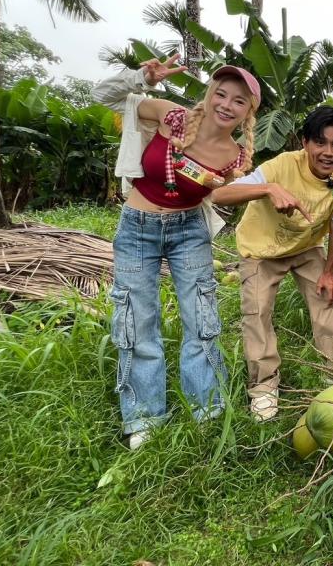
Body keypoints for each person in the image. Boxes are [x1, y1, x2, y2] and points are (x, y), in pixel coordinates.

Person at [94, 55, 259, 450]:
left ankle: (207, 409)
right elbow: (102, 95)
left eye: (239, 100)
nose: (226, 104)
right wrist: (141, 78)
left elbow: (224, 196)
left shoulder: (236, 158)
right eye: (221, 93)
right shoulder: (174, 117)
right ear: (210, 93)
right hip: (137, 226)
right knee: (137, 318)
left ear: (248, 112)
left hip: (188, 231)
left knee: (201, 317)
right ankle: (145, 416)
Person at [210, 106, 333, 422]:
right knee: (258, 312)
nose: (328, 152)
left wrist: (330, 272)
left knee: (327, 301)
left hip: (306, 247)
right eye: (320, 142)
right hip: (261, 249)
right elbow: (221, 194)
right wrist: (267, 188)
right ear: (305, 142)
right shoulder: (280, 166)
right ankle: (264, 388)